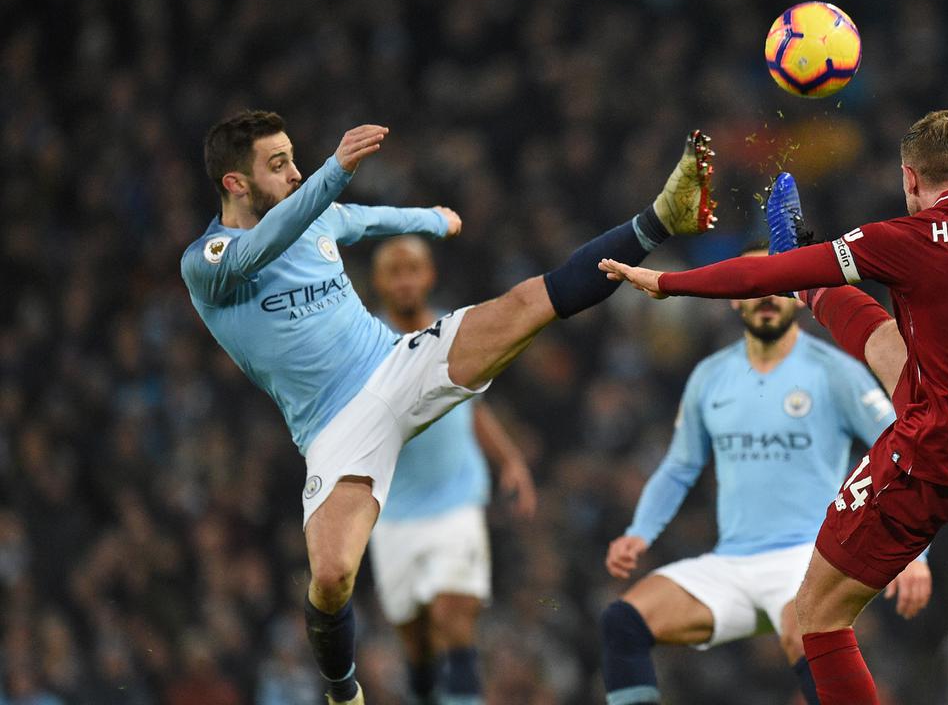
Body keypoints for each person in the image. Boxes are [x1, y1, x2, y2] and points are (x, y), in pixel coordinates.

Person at [180, 110, 716, 704]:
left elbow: (368, 219)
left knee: (523, 305)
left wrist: (431, 220)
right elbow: (266, 243)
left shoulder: (314, 216)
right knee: (331, 578)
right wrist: (334, 171)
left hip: (396, 365)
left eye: (295, 160)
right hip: (335, 427)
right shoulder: (208, 262)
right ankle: (341, 689)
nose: (295, 173)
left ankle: (661, 216)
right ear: (235, 183)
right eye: (277, 165)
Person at [599, 110, 948, 704]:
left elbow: (768, 271)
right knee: (895, 347)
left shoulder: (907, 240)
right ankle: (814, 292)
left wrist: (668, 285)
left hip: (942, 455)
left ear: (909, 178)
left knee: (814, 616)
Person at [599, 243, 931, 705]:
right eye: (757, 287)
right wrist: (640, 532)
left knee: (807, 636)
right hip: (733, 563)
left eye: (779, 286)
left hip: (808, 557)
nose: (768, 297)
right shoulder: (709, 377)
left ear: (797, 296)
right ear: (736, 296)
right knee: (622, 622)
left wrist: (916, 555)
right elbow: (680, 466)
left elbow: (913, 449)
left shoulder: (835, 373)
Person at [367, 235, 537, 705]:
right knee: (416, 639)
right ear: (378, 282)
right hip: (394, 511)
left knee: (454, 615)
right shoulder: (366, 347)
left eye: (412, 269)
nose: (404, 281)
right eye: (394, 272)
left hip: (456, 502)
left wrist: (510, 460)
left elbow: (472, 407)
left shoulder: (454, 332)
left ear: (429, 276)